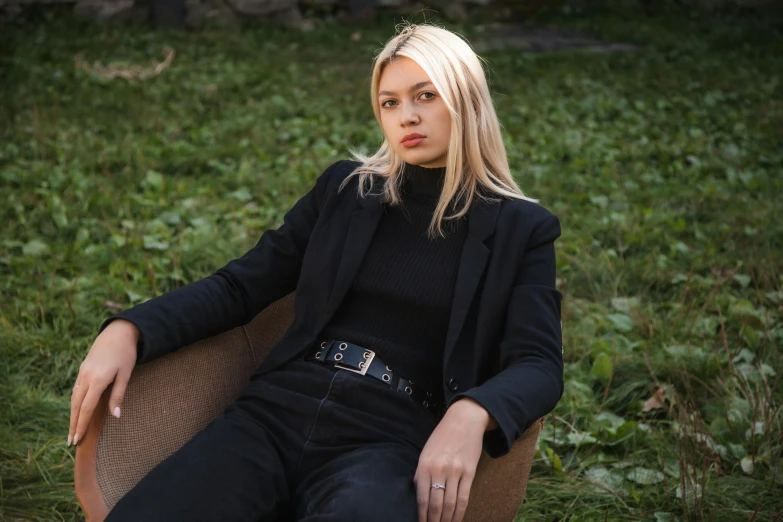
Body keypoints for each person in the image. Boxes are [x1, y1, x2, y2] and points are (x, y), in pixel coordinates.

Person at [68, 23, 564, 522]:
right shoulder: (347, 192)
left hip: (389, 441)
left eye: (425, 96)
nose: (406, 117)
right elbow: (240, 287)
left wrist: (470, 412)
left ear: (466, 99)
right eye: (389, 103)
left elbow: (539, 363)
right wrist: (131, 328)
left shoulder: (521, 229)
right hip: (275, 412)